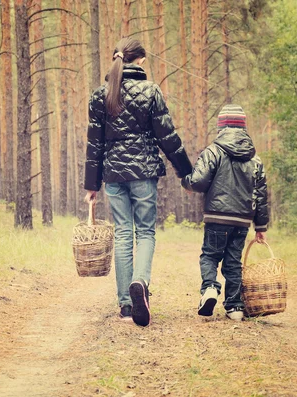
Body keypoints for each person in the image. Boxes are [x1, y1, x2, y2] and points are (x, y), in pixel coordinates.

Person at [84, 38, 193, 327]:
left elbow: (94, 144)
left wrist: (91, 185)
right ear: (140, 61)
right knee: (144, 232)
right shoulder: (150, 91)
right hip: (144, 173)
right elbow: (167, 137)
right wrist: (186, 172)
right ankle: (140, 283)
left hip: (113, 176)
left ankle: (124, 304)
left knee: (123, 234)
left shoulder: (99, 96)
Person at [181, 104, 269, 321]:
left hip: (217, 216)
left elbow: (199, 181)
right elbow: (260, 193)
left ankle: (210, 288)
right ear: (243, 127)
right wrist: (260, 226)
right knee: (233, 262)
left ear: (221, 127)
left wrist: (186, 182)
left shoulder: (213, 151)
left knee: (210, 255)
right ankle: (235, 306)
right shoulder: (254, 158)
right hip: (242, 220)